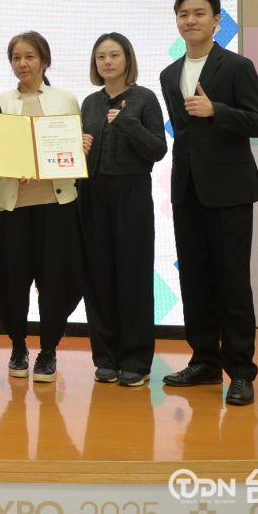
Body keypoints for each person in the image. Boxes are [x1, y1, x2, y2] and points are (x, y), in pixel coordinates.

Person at [159, 0, 258, 406]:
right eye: (183, 14)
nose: (191, 20)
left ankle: (240, 371)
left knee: (232, 282)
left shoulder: (237, 66)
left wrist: (217, 111)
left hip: (230, 190)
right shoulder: (169, 74)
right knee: (195, 280)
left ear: (217, 20)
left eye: (199, 13)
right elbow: (185, 135)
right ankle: (204, 361)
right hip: (187, 190)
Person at [0, 32, 83, 383]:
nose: (22, 64)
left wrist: (77, 148)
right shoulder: (0, 102)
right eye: (16, 58)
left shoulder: (65, 99)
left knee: (58, 280)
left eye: (29, 56)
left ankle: (49, 350)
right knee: (4, 278)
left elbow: (73, 148)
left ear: (44, 61)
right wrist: (13, 165)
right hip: (10, 204)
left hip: (57, 204)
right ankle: (18, 344)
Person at [79, 32, 167, 387]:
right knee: (97, 276)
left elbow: (158, 149)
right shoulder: (89, 103)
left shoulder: (144, 98)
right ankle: (106, 357)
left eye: (114, 55)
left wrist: (128, 123)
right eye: (101, 56)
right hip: (91, 193)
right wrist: (78, 146)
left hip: (131, 192)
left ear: (128, 59)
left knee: (133, 275)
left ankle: (136, 359)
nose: (107, 62)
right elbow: (77, 152)